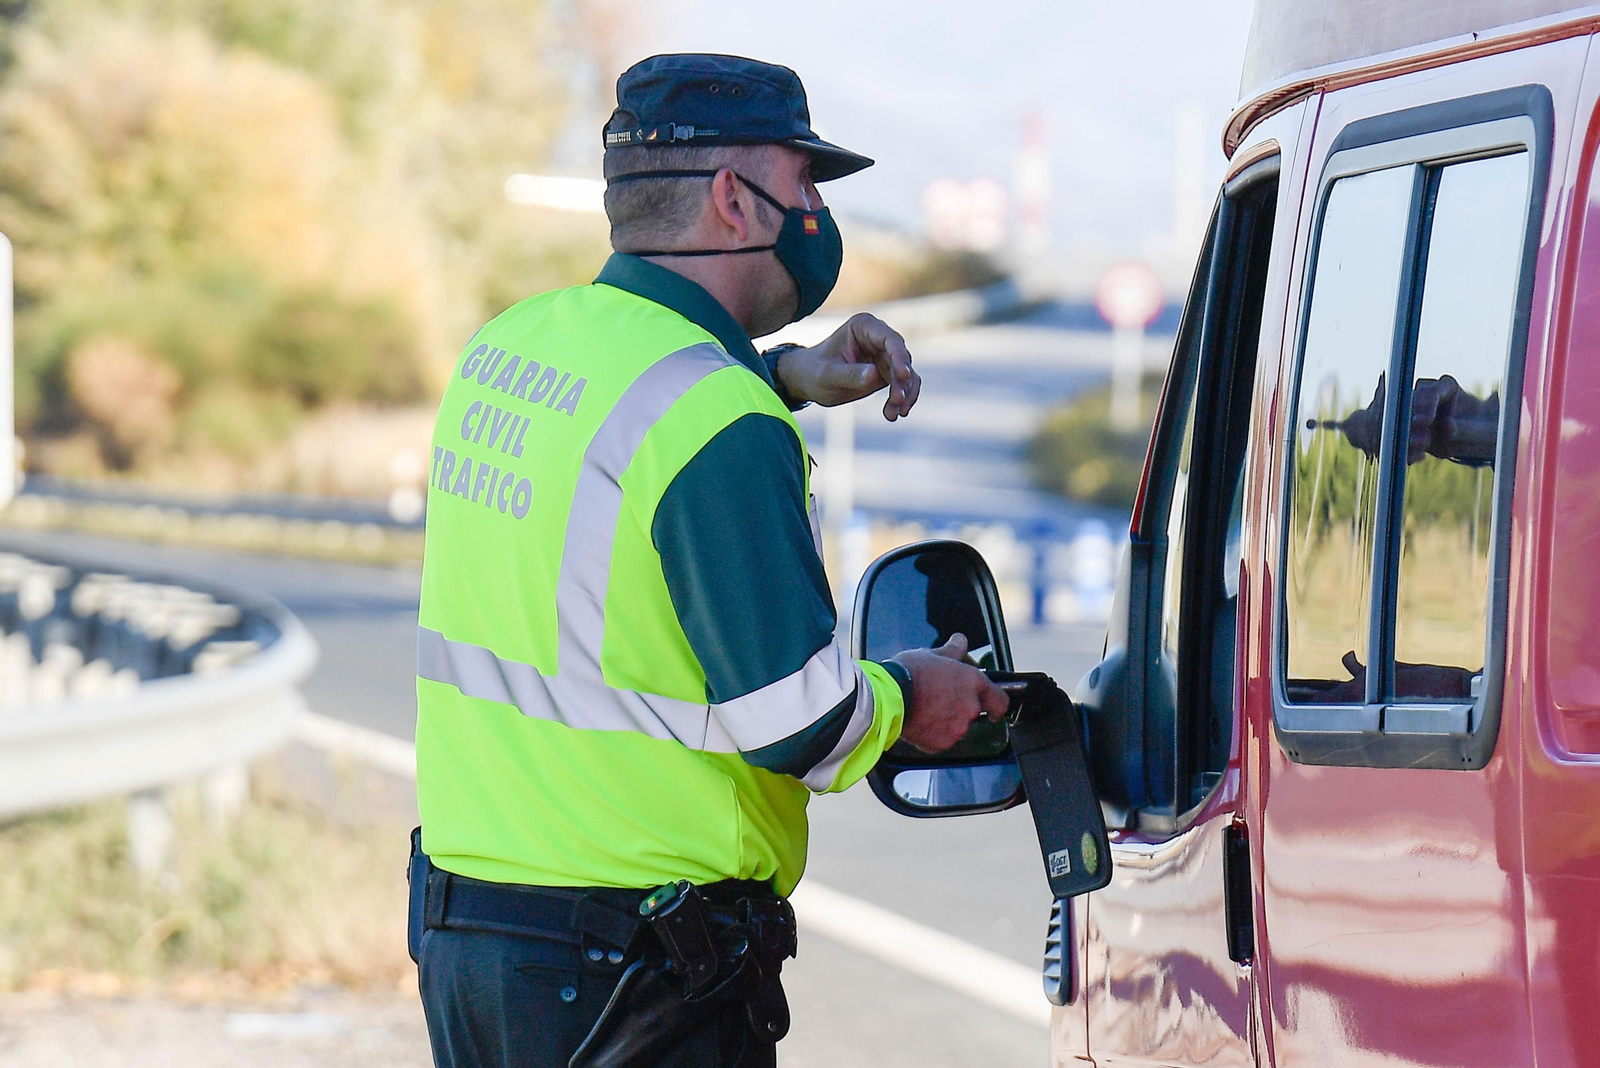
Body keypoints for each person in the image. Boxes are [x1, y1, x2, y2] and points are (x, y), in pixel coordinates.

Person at [409, 53, 1009, 1068]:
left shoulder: (511, 346)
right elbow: (798, 723)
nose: (817, 213)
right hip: (634, 974)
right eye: (805, 182)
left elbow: (628, 441)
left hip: (473, 948)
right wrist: (915, 696)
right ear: (734, 199)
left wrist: (784, 374)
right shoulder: (716, 420)